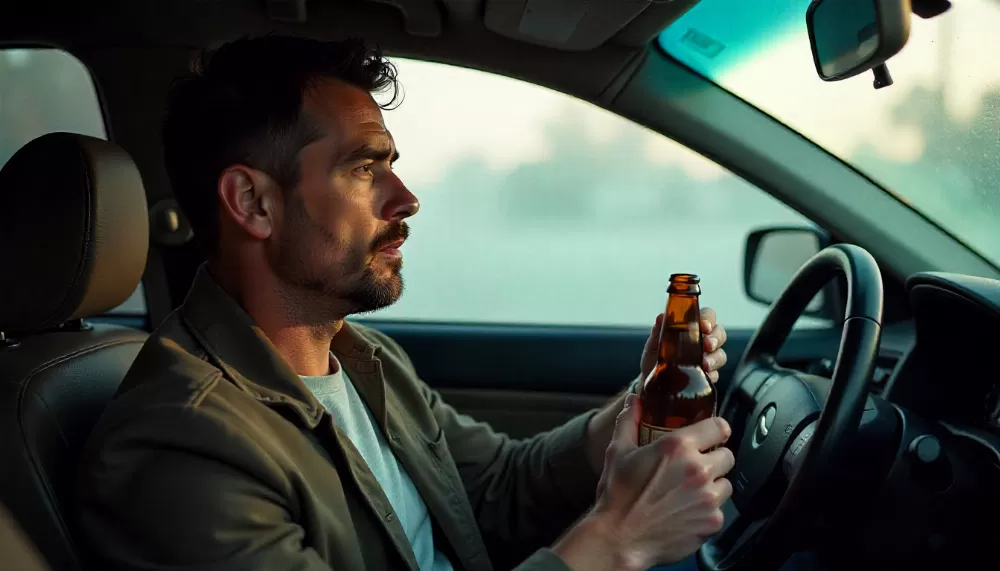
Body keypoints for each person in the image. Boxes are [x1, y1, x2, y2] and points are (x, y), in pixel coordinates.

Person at [76, 35, 734, 571]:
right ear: (253, 202)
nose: (406, 199)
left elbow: (496, 490)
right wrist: (616, 543)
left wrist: (645, 398)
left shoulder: (362, 358)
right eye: (364, 168)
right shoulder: (181, 445)